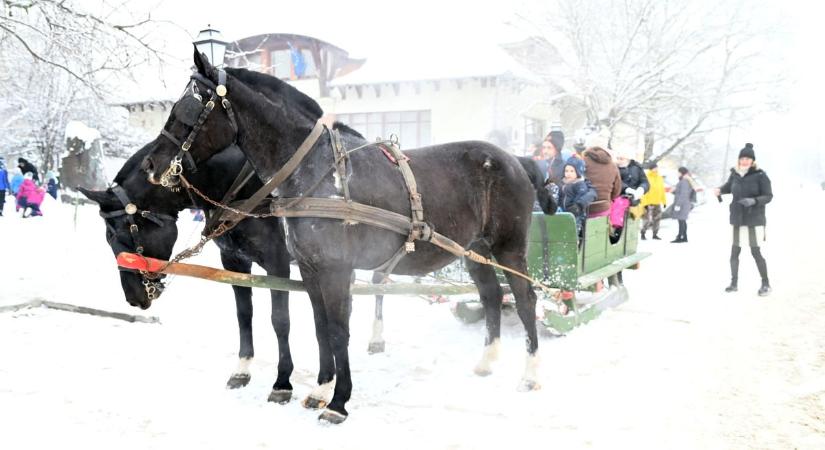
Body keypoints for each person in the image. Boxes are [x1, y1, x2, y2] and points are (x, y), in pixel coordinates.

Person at [714, 143, 773, 296]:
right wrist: (720, 189)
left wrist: (754, 201)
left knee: (755, 251)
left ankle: (765, 283)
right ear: (739, 160)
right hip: (737, 218)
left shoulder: (760, 175)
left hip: (754, 219)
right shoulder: (735, 174)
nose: (745, 161)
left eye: (748, 158)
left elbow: (768, 196)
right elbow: (728, 187)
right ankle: (734, 283)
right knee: (734, 252)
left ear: (753, 161)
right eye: (742, 158)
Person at [582, 135, 622, 218]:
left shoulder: (582, 162)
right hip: (603, 208)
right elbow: (617, 190)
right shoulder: (612, 165)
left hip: (585, 207)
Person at [557, 162, 597, 236]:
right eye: (566, 171)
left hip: (575, 213)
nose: (568, 173)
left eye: (572, 171)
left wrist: (576, 206)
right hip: (564, 212)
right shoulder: (563, 183)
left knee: (573, 232)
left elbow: (581, 196)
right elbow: (560, 197)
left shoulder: (579, 184)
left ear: (578, 172)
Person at [639, 162, 666, 240]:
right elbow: (645, 190)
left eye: (657, 168)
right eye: (655, 168)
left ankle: (655, 234)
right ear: (651, 168)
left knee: (657, 218)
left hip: (657, 202)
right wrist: (644, 202)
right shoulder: (646, 177)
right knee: (647, 219)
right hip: (648, 202)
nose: (656, 169)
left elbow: (662, 190)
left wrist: (664, 201)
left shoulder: (659, 178)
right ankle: (643, 233)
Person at [671, 167, 695, 243]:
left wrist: (678, 204)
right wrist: (674, 191)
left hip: (683, 204)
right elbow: (681, 192)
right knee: (682, 220)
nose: (677, 174)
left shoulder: (684, 181)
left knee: (681, 221)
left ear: (681, 173)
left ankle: (680, 237)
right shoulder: (685, 180)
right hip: (684, 203)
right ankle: (684, 237)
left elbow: (683, 194)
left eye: (678, 172)